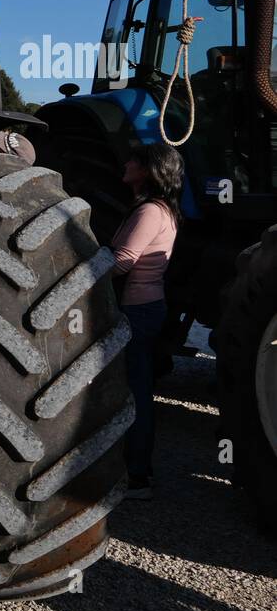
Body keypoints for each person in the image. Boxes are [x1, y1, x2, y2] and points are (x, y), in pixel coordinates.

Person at [111, 142, 183, 500]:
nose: (126, 163)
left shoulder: (150, 212)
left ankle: (137, 476)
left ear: (148, 169)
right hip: (147, 307)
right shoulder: (159, 209)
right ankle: (137, 472)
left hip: (137, 310)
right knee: (137, 386)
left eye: (133, 160)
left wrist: (76, 264)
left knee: (135, 390)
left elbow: (123, 262)